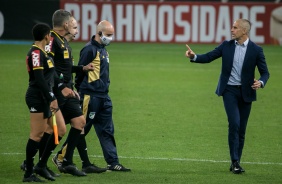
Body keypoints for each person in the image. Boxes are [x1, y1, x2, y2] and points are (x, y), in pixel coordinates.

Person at [185, 19, 270, 174]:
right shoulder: (226, 45)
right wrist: (194, 57)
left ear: (244, 31)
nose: (231, 30)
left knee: (242, 129)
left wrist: (261, 82)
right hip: (229, 91)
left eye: (235, 28)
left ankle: (236, 161)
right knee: (235, 123)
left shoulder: (256, 50)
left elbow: (265, 72)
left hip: (247, 92)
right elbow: (209, 57)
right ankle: (235, 161)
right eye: (232, 27)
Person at [52, 15, 107, 174]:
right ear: (66, 25)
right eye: (75, 27)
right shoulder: (53, 41)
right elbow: (50, 68)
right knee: (50, 130)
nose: (77, 31)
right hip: (58, 92)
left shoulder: (65, 44)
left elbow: (65, 69)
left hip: (68, 92)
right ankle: (34, 162)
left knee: (79, 123)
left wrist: (81, 69)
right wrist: (63, 86)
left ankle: (71, 162)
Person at [75, 20, 131, 172]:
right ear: (99, 33)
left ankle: (113, 162)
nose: (111, 38)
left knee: (107, 130)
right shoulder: (89, 50)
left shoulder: (103, 49)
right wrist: (80, 91)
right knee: (80, 129)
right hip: (90, 96)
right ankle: (61, 157)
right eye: (108, 35)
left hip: (104, 97)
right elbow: (80, 71)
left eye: (112, 35)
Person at [23, 23, 61, 182]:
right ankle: (28, 173)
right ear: (46, 36)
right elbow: (39, 79)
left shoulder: (43, 53)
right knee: (36, 134)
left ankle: (40, 166)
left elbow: (48, 78)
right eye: (49, 35)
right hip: (37, 97)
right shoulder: (36, 53)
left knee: (49, 131)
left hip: (43, 96)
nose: (50, 37)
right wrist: (52, 97)